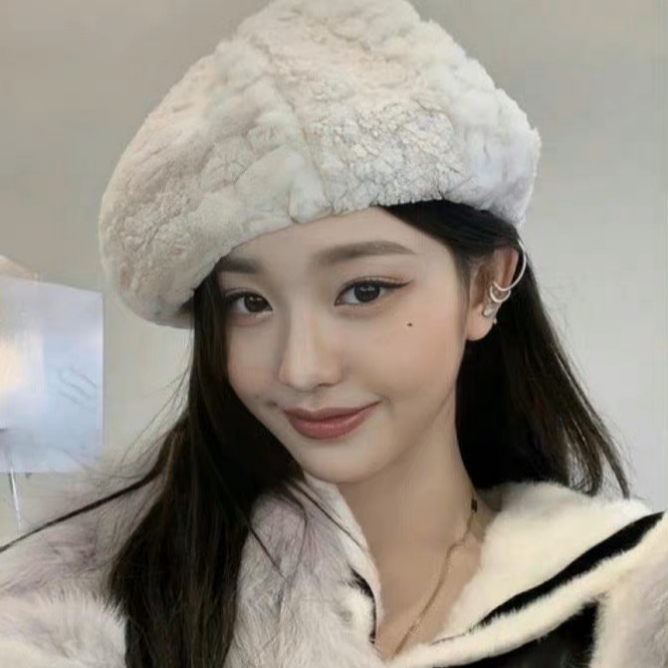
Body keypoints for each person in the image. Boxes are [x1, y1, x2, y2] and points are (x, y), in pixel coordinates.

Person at [0, 0, 666, 666]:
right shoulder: (94, 606)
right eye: (250, 303)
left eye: (364, 291)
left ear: (484, 285)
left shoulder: (629, 602)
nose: (301, 368)